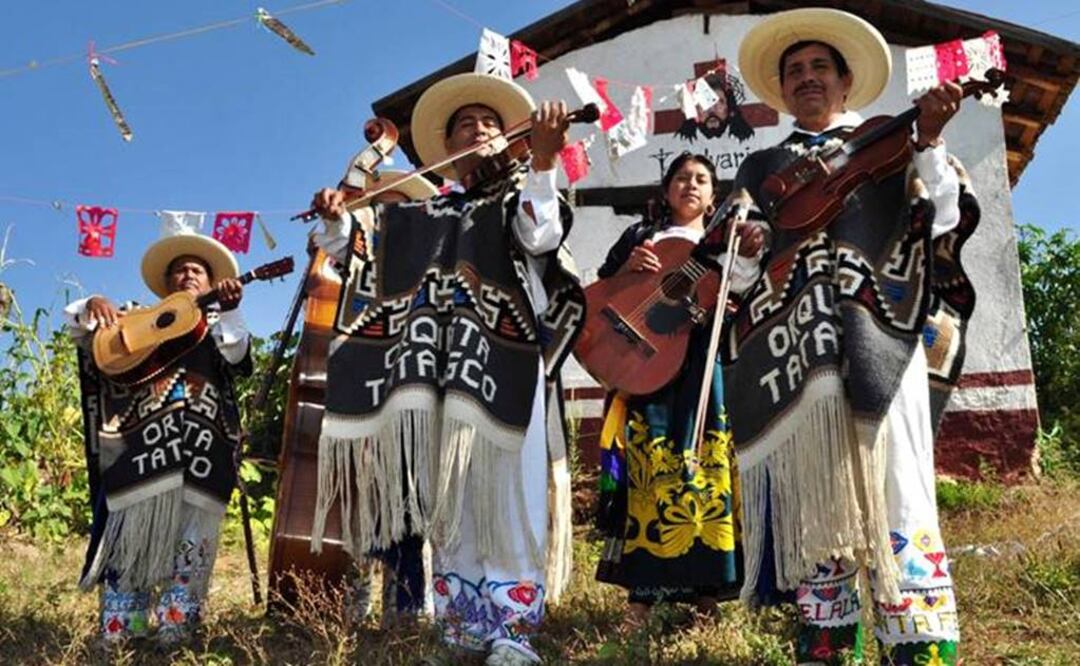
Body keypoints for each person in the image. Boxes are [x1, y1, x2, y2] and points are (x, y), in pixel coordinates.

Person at [720, 8, 980, 665]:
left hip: (884, 341)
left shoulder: (892, 145)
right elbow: (737, 273)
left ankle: (919, 651)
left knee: (901, 496)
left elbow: (944, 218)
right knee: (823, 507)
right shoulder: (761, 168)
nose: (807, 78)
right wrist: (748, 248)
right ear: (781, 90)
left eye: (819, 68)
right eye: (795, 71)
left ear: (844, 82)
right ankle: (827, 648)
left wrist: (929, 140)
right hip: (798, 359)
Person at [308, 72, 584, 665]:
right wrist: (336, 221)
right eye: (464, 125)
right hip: (439, 368)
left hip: (506, 358)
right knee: (452, 497)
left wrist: (542, 162)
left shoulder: (523, 191)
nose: (477, 131)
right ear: (449, 148)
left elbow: (542, 236)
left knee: (509, 493)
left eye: (487, 123)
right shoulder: (423, 212)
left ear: (506, 138)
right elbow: (361, 255)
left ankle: (513, 633)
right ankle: (462, 629)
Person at [66, 213, 251, 646]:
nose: (188, 274)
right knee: (132, 533)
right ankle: (122, 632)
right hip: (141, 452)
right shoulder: (138, 316)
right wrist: (90, 302)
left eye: (197, 270)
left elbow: (238, 356)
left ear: (210, 283)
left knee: (192, 539)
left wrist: (233, 308)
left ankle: (176, 632)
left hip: (202, 448)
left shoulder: (222, 323)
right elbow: (84, 330)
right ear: (167, 284)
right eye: (180, 270)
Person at [592, 152, 762, 622]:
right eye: (682, 178)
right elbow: (604, 298)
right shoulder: (641, 238)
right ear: (666, 190)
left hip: (704, 372)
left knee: (706, 474)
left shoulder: (725, 243)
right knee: (649, 477)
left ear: (714, 197)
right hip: (646, 372)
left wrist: (734, 290)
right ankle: (641, 602)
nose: (691, 185)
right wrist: (627, 269)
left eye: (702, 179)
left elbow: (745, 295)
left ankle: (707, 598)